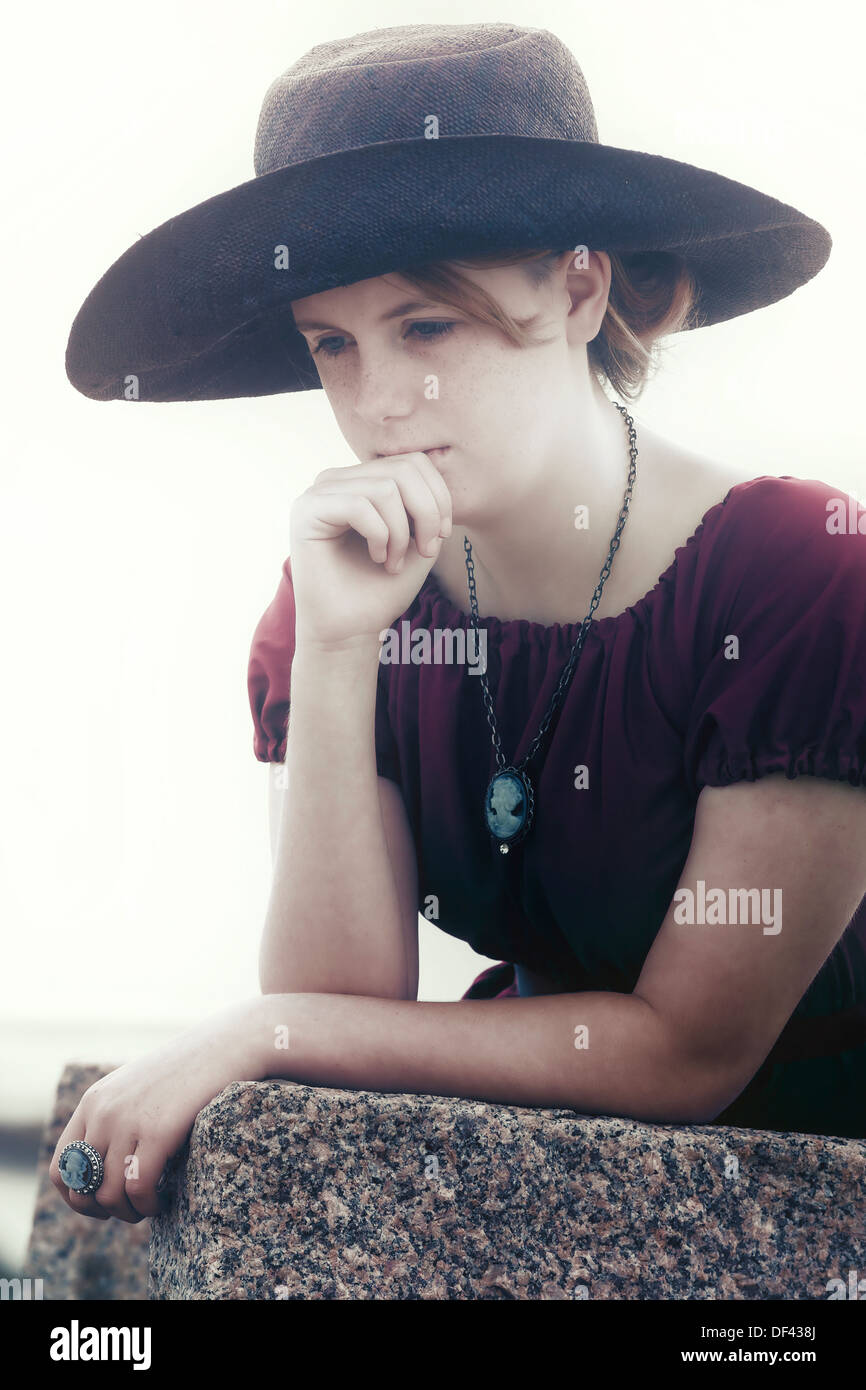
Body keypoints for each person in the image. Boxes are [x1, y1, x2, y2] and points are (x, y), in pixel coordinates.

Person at [55, 23, 866, 1227]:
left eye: (425, 326)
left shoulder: (801, 574)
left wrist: (253, 1027)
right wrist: (337, 655)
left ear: (580, 284)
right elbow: (337, 1013)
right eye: (331, 343)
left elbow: (690, 1058)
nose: (376, 403)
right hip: (543, 1190)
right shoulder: (336, 597)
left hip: (800, 1209)